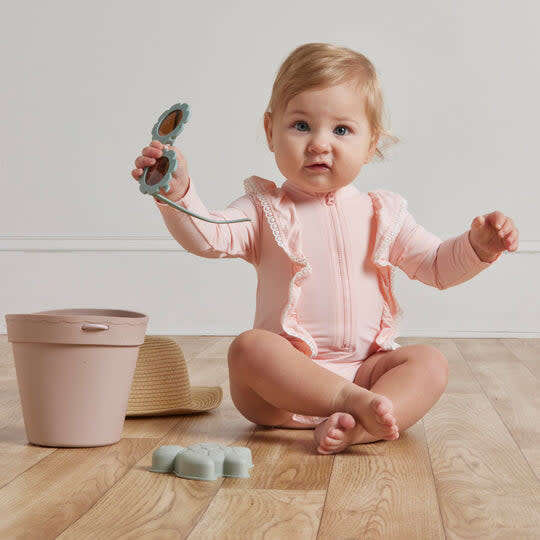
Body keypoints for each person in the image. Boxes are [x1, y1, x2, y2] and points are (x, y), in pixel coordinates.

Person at [131, 43, 519, 455]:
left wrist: (478, 247)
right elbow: (209, 236)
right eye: (300, 126)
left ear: (371, 144)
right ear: (270, 131)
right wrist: (176, 192)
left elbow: (437, 266)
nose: (319, 143)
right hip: (279, 394)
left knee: (430, 363)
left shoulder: (383, 213)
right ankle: (351, 405)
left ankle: (361, 426)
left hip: (365, 374)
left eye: (341, 130)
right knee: (250, 347)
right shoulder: (265, 209)